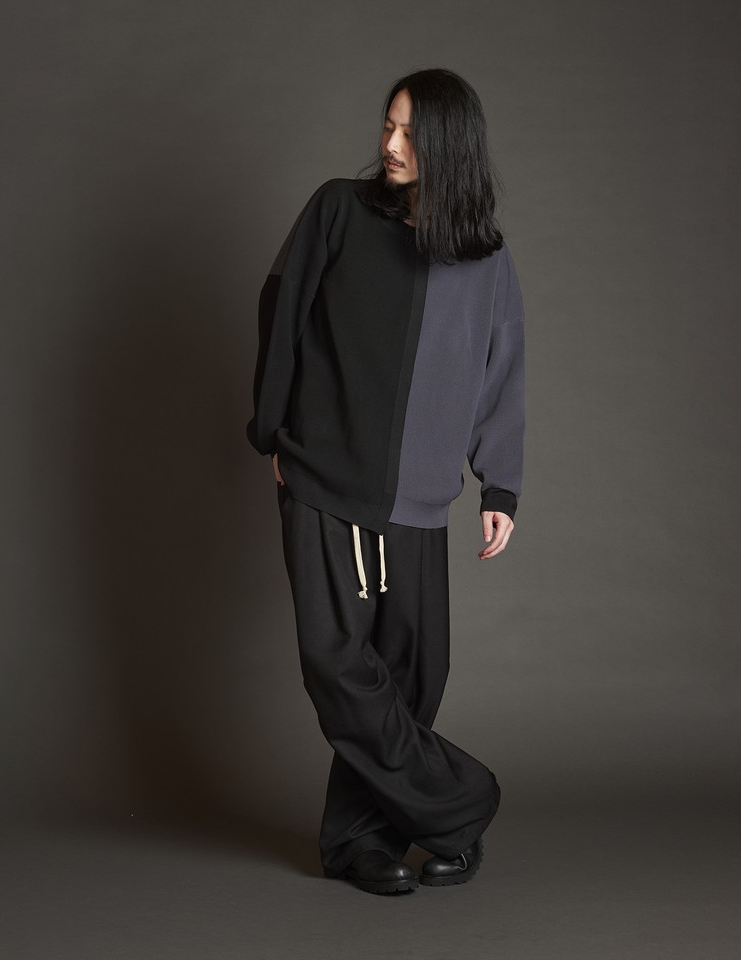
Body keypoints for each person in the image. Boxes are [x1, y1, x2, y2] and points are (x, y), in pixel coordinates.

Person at [247, 68, 525, 895]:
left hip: (421, 497)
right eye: (388, 125)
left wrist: (500, 485)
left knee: (412, 676)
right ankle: (460, 804)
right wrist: (271, 430)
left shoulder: (484, 256)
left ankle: (360, 842)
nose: (391, 144)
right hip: (325, 478)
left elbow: (501, 369)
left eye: (410, 132)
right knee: (337, 663)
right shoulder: (339, 209)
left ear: (450, 145)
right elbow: (281, 307)